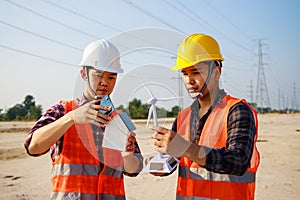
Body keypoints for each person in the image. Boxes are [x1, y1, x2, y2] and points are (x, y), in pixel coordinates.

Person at [24, 39, 143, 200]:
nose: (104, 83)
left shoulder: (121, 119)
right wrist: (71, 118)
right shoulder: (62, 110)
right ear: (83, 74)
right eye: (98, 75)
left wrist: (128, 156)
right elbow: (33, 147)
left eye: (111, 77)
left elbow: (135, 169)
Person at [150, 33, 260, 200]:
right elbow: (175, 162)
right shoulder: (183, 118)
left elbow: (238, 161)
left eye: (196, 72)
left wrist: (187, 148)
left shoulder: (237, 111)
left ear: (216, 73)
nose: (189, 80)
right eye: (185, 73)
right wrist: (159, 164)